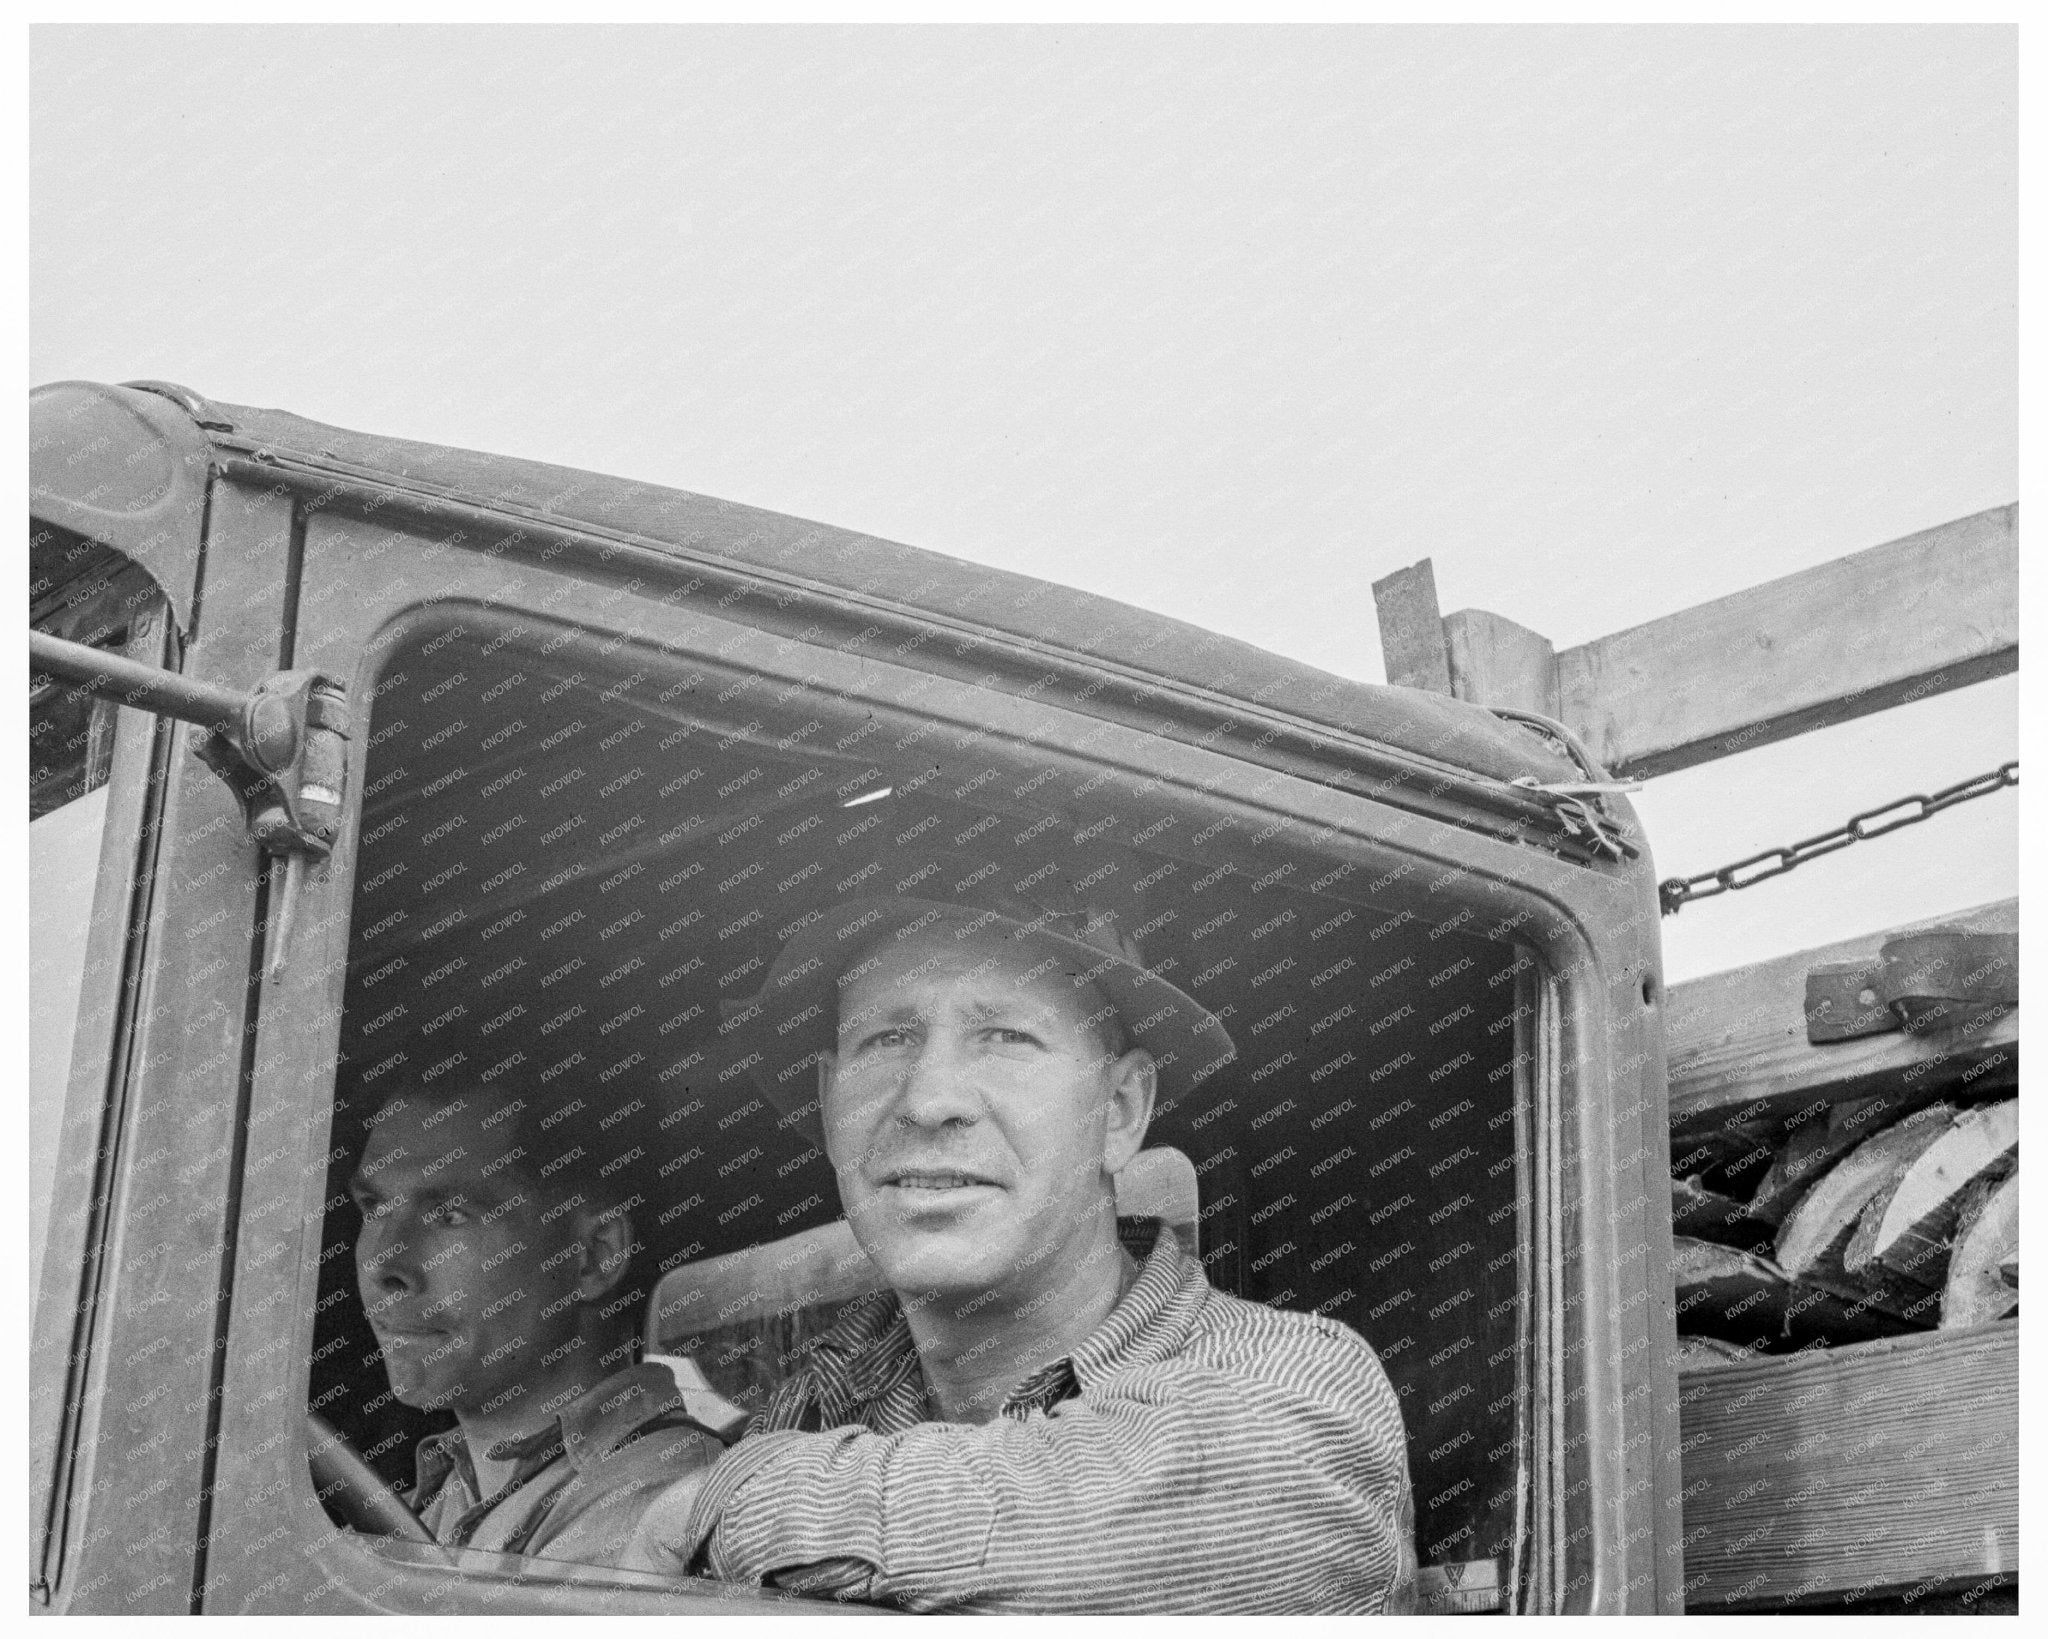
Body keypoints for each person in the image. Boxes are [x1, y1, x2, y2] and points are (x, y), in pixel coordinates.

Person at [626, 894, 1416, 1612]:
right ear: (831, 1103)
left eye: (1003, 1035)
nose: (930, 1098)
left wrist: (711, 1509)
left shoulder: (1296, 1384)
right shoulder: (809, 1410)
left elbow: (1203, 1516)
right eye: (886, 1036)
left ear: (1120, 1109)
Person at [348, 1079, 729, 1567]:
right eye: (373, 1207)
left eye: (450, 1215)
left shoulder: (659, 1502)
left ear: (592, 1255)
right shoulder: (436, 1498)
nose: (382, 1263)